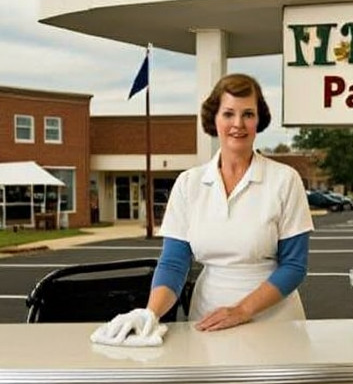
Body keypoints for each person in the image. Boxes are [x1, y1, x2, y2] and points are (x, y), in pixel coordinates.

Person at [94, 73, 314, 344]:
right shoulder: (189, 184)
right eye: (228, 114)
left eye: (248, 114)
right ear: (214, 119)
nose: (238, 124)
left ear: (259, 120)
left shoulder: (284, 180)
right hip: (207, 321)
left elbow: (294, 266)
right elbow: (174, 263)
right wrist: (150, 313)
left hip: (275, 323)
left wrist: (242, 311)